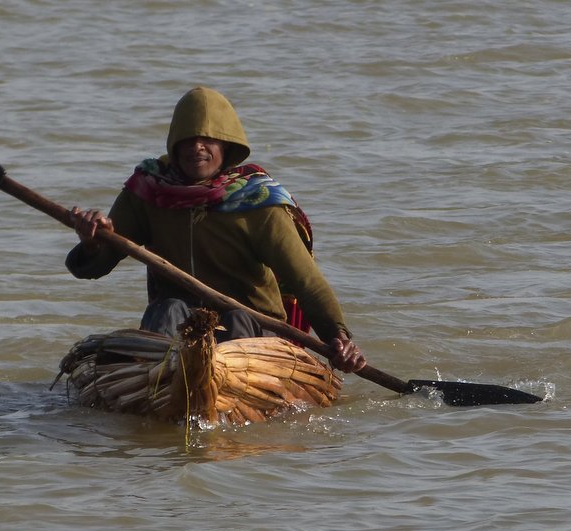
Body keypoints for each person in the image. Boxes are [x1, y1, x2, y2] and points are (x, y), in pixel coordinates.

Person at [66, 86, 367, 373]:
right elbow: (96, 266)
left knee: (237, 317)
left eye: (209, 139)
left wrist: (338, 338)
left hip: (250, 325)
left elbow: (306, 282)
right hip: (176, 322)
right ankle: (157, 378)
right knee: (168, 308)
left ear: (227, 147)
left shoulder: (257, 202)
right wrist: (92, 241)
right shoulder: (147, 192)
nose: (197, 147)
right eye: (188, 139)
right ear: (174, 145)